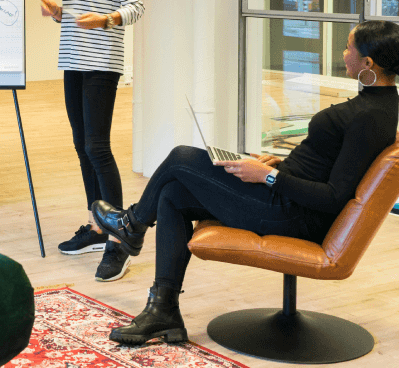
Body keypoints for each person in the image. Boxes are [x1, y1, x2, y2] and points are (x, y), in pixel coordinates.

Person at [92, 20, 399, 344]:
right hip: (285, 198)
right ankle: (162, 311)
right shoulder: (378, 105)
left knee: (181, 157)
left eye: (349, 47)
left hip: (291, 213)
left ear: (368, 63)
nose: (343, 53)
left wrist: (267, 176)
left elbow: (334, 196)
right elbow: (329, 163)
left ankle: (132, 226)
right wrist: (277, 164)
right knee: (173, 193)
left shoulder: (369, 115)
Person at [38, 0, 144, 282]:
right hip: (74, 60)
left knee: (97, 147)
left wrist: (107, 19)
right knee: (82, 146)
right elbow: (82, 12)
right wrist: (60, 13)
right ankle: (98, 226)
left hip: (101, 63)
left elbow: (136, 6)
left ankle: (120, 238)